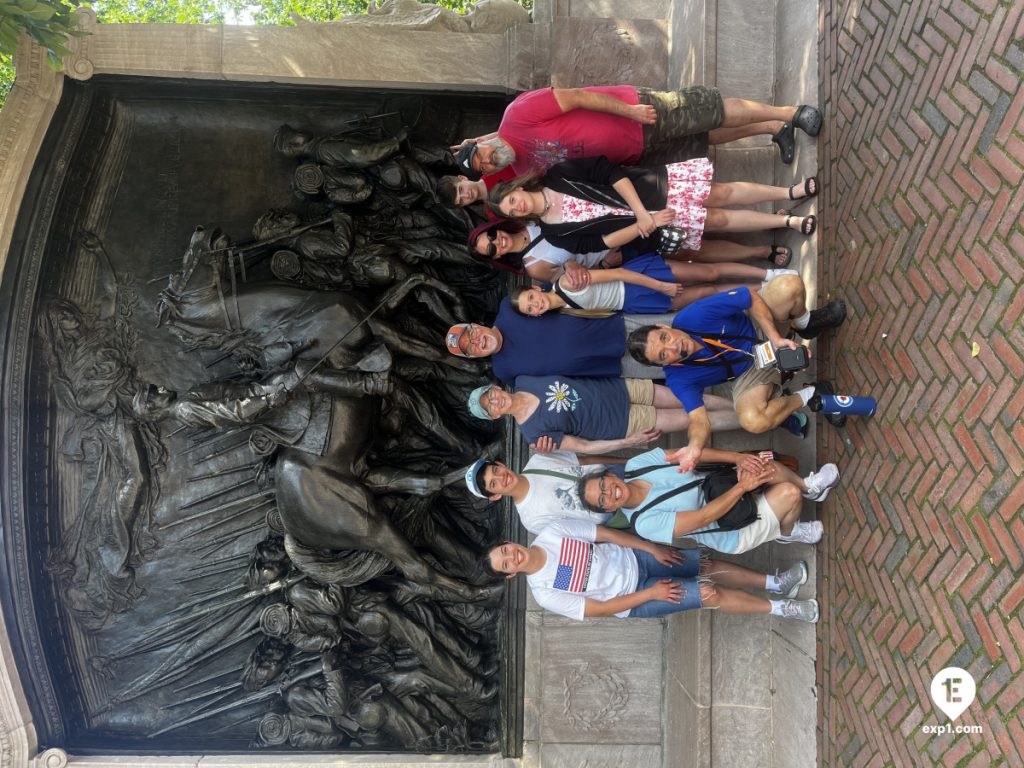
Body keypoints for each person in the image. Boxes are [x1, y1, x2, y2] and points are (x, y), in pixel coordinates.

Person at [626, 277, 847, 469]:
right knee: (752, 420)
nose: (674, 348)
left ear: (663, 327)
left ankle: (806, 323)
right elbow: (698, 419)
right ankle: (813, 393)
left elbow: (748, 297)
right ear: (662, 365)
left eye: (665, 338)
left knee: (788, 286)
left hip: (760, 328)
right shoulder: (678, 378)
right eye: (664, 356)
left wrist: (776, 339)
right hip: (748, 372)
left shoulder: (692, 316)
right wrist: (694, 447)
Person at [452, 85, 822, 177]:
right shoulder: (519, 170)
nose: (488, 161)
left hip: (637, 111)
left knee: (713, 110)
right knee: (704, 138)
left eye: (481, 154)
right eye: (483, 167)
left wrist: (629, 108)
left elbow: (579, 97)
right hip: (636, 153)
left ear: (482, 143)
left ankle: (791, 112)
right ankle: (774, 127)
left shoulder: (517, 115)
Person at [486, 521, 818, 622]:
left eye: (505, 551)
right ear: (510, 575)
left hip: (639, 558)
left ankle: (777, 583)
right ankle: (782, 609)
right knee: (708, 593)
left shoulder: (551, 533)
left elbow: (604, 535)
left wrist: (649, 547)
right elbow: (597, 609)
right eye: (506, 564)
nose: (511, 556)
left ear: (509, 542)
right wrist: (650, 593)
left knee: (707, 565)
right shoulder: (544, 592)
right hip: (635, 599)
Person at [487, 156, 819, 257]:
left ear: (517, 189)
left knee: (721, 194)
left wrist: (643, 211)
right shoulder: (552, 233)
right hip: (648, 226)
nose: (516, 208)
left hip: (648, 190)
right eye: (511, 211)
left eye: (512, 200)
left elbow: (609, 170)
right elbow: (599, 244)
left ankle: (788, 192)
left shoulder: (558, 175)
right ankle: (785, 223)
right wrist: (644, 225)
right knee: (715, 220)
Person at [578, 447, 839, 551]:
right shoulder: (644, 524)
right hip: (732, 527)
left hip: (721, 484)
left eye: (603, 484)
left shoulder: (637, 464)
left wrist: (737, 459)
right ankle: (788, 531)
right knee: (788, 495)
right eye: (603, 500)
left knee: (762, 465)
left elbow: (692, 455)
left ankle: (808, 486)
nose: (609, 492)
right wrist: (743, 487)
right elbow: (705, 517)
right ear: (609, 510)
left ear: (610, 474)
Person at [468, 218, 793, 285]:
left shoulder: (528, 219)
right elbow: (579, 278)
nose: (499, 242)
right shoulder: (534, 266)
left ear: (495, 229)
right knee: (692, 258)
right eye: (492, 250)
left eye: (492, 237)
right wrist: (608, 264)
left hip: (618, 225)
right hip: (622, 257)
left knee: (696, 240)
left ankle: (762, 248)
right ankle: (763, 267)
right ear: (497, 259)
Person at [466, 377, 739, 453]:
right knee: (693, 419)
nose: (494, 401)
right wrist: (626, 443)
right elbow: (582, 446)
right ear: (494, 417)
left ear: (494, 387)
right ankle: (750, 420)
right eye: (489, 407)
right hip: (621, 423)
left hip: (620, 388)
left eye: (489, 395)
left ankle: (747, 406)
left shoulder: (525, 378)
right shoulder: (533, 434)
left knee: (693, 399)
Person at [443, 298, 672, 383]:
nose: (477, 342)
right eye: (469, 348)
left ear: (476, 325)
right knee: (673, 364)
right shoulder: (504, 372)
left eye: (471, 334)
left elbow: (552, 296)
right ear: (472, 356)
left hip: (615, 325)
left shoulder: (509, 308)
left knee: (679, 327)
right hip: (613, 365)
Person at [509, 255, 794, 317]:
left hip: (639, 279)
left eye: (530, 299)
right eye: (530, 309)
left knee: (708, 271)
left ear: (535, 290)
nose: (536, 304)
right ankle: (765, 289)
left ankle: (769, 273)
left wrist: (659, 285)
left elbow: (620, 272)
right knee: (705, 293)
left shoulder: (567, 283)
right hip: (634, 303)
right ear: (534, 314)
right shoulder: (566, 314)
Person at [464, 451, 623, 534]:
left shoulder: (538, 461)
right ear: (495, 496)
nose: (501, 477)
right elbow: (580, 536)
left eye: (495, 470)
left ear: (500, 464)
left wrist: (626, 462)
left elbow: (587, 461)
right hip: (613, 515)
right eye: (494, 483)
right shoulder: (531, 520)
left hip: (615, 477)